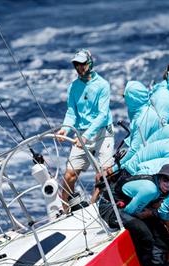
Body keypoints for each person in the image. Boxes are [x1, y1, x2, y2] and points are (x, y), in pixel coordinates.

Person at [98, 164, 169, 266]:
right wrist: (149, 213)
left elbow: (152, 210)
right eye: (166, 179)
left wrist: (151, 212)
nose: (168, 184)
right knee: (144, 233)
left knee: (161, 232)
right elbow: (130, 211)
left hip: (127, 207)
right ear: (159, 178)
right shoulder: (151, 190)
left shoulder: (165, 191)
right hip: (110, 208)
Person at [57, 49, 114, 210]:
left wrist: (87, 136)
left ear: (90, 63)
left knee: (104, 174)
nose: (79, 67)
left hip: (102, 133)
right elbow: (71, 112)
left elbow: (103, 115)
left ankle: (93, 205)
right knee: (69, 175)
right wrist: (65, 129)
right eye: (76, 64)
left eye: (82, 63)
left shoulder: (103, 85)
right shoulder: (73, 87)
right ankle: (65, 210)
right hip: (82, 135)